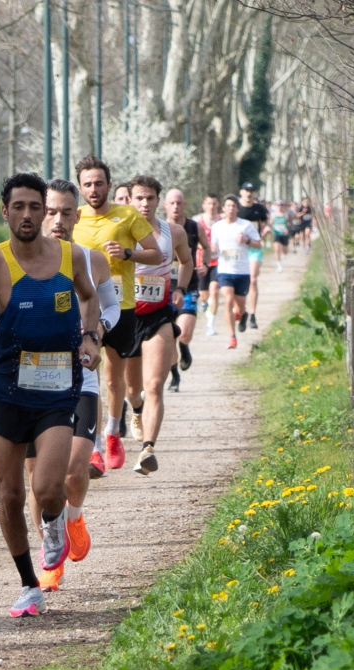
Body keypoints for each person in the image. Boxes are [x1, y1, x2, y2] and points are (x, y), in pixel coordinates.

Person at [0, 173, 103, 617]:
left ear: (45, 212)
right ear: (4, 212)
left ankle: (55, 520)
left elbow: (90, 300)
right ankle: (28, 584)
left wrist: (91, 338)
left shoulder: (70, 256)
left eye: (35, 207)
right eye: (18, 207)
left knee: (46, 487)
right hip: (7, 390)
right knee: (9, 496)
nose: (27, 215)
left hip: (60, 387)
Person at [26, 178, 121, 591]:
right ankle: (50, 555)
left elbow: (112, 306)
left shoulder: (90, 260)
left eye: (66, 212)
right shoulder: (12, 260)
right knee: (38, 479)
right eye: (51, 211)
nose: (58, 220)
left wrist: (96, 331)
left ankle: (75, 515)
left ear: (77, 216)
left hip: (80, 375)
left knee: (73, 468)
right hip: (29, 379)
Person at [71, 155, 161, 470]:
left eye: (99, 183)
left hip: (120, 308)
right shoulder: (73, 217)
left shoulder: (128, 215)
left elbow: (156, 254)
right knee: (87, 377)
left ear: (109, 185)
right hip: (83, 309)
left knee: (112, 379)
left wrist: (127, 253)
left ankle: (112, 433)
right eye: (87, 184)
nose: (93, 189)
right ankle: (93, 447)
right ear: (80, 188)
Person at [125, 176, 193, 474]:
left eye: (150, 198)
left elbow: (187, 262)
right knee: (131, 389)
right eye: (139, 198)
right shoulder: (121, 231)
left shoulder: (173, 232)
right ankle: (136, 411)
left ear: (158, 201)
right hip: (127, 316)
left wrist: (180, 289)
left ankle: (147, 449)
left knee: (154, 385)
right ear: (130, 199)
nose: (144, 203)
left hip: (158, 315)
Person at [163, 187, 206, 391]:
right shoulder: (157, 229)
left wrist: (205, 264)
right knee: (169, 333)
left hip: (188, 287)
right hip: (164, 290)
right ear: (165, 206)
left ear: (185, 204)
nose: (176, 206)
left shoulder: (194, 226)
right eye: (172, 202)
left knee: (184, 333)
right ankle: (174, 375)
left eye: (179, 202)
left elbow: (206, 247)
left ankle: (185, 346)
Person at [212, 194, 261, 349]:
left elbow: (258, 245)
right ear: (223, 209)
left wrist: (247, 241)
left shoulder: (246, 225)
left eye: (234, 206)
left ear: (237, 209)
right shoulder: (217, 226)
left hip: (242, 271)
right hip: (225, 270)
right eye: (228, 206)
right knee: (227, 300)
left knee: (239, 307)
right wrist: (213, 250)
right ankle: (232, 337)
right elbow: (214, 247)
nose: (231, 209)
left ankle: (243, 314)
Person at [236, 182, 270, 329]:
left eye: (251, 190)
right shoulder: (236, 208)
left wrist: (263, 235)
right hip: (239, 249)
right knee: (238, 282)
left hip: (254, 248)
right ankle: (240, 311)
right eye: (246, 190)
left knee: (253, 280)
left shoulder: (259, 209)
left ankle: (253, 314)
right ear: (241, 192)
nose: (249, 193)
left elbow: (266, 225)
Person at [193, 194, 220, 336]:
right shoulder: (197, 221)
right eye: (209, 203)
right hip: (201, 261)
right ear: (204, 205)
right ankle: (203, 303)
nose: (212, 207)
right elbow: (190, 240)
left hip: (218, 262)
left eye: (214, 204)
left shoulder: (222, 220)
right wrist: (204, 246)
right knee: (204, 295)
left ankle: (210, 325)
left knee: (214, 291)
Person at [271, 201, 290, 273]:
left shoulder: (286, 215)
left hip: (284, 234)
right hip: (276, 234)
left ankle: (284, 254)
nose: (280, 207)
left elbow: (289, 223)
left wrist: (287, 229)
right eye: (278, 205)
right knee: (276, 249)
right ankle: (279, 265)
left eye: (281, 205)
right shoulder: (273, 215)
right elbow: (270, 223)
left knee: (285, 250)